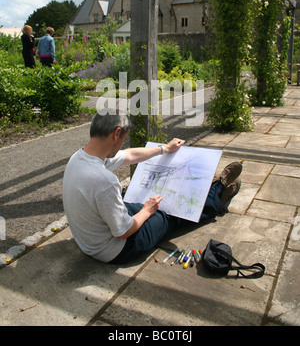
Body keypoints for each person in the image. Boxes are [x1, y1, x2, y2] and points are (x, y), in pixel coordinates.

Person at [63, 111, 242, 264]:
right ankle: (217, 195)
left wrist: (164, 149)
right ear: (117, 133)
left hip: (90, 238)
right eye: (123, 139)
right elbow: (124, 232)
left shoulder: (78, 158)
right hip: (114, 250)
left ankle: (209, 192)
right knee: (168, 213)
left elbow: (130, 155)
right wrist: (147, 211)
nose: (122, 146)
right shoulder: (104, 180)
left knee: (144, 205)